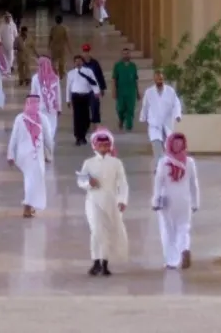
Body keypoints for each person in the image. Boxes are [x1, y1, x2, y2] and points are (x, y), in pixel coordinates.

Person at [77, 129, 129, 276]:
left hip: (111, 201)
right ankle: (95, 261)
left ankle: (104, 262)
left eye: (106, 145)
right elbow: (81, 181)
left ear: (110, 146)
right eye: (100, 145)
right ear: (94, 146)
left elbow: (122, 183)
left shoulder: (116, 163)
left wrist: (122, 200)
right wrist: (89, 183)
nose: (103, 148)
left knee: (107, 232)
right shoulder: (88, 163)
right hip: (93, 201)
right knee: (96, 231)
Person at [153, 132, 200, 269]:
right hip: (184, 200)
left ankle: (172, 261)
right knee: (184, 227)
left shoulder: (163, 162)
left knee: (168, 230)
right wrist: (195, 202)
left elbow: (158, 182)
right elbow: (194, 184)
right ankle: (184, 248)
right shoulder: (190, 162)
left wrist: (155, 200)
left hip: (167, 200)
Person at [7, 95, 55, 217]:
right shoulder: (42, 118)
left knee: (29, 179)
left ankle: (30, 205)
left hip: (23, 156)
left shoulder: (19, 118)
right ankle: (27, 207)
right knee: (33, 180)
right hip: (36, 156)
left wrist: (10, 155)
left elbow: (13, 137)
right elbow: (48, 139)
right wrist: (49, 153)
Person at [140, 69, 183, 161]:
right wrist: (143, 117)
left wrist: (177, 115)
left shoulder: (170, 91)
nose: (160, 81)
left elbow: (176, 104)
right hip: (154, 124)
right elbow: (145, 105)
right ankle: (158, 166)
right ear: (154, 80)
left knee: (168, 148)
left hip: (167, 123)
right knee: (157, 147)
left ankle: (167, 165)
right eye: (158, 79)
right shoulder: (149, 92)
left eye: (161, 79)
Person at [66, 54, 101, 146]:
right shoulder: (71, 74)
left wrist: (96, 92)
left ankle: (84, 135)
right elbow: (68, 87)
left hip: (85, 96)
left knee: (86, 117)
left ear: (82, 62)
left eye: (80, 61)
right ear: (74, 63)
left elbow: (94, 82)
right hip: (76, 96)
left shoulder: (88, 71)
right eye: (76, 61)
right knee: (77, 117)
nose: (78, 63)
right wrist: (68, 99)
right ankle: (78, 137)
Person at [30, 56, 61, 138]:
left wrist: (32, 108)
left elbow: (33, 94)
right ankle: (49, 142)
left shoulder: (35, 78)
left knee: (42, 126)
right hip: (52, 106)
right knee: (52, 125)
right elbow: (57, 94)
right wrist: (59, 108)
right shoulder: (55, 78)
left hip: (40, 106)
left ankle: (43, 142)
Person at [112, 46, 140, 132]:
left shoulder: (133, 66)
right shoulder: (117, 66)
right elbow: (114, 79)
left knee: (130, 109)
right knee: (120, 109)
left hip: (131, 91)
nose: (126, 55)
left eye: (127, 53)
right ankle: (121, 119)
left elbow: (135, 79)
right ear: (122, 55)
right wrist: (114, 90)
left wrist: (138, 92)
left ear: (130, 54)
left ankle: (129, 126)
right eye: (124, 54)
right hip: (121, 91)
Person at [81, 44, 107, 129]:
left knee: (95, 106)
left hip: (94, 89)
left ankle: (95, 122)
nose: (86, 53)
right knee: (84, 107)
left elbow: (100, 75)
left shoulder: (95, 63)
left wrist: (102, 88)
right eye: (84, 51)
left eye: (87, 51)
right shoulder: (80, 63)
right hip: (83, 89)